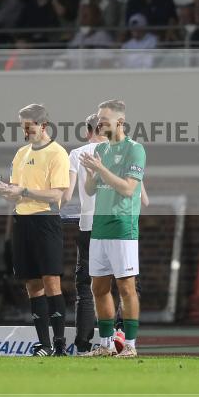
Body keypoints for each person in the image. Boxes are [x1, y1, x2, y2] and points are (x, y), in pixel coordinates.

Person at [0, 104, 70, 356]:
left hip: (45, 220)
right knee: (32, 284)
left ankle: (60, 342)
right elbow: (16, 192)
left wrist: (23, 191)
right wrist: (6, 192)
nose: (24, 130)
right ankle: (44, 344)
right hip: (22, 221)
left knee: (51, 280)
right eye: (22, 125)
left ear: (43, 125)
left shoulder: (57, 153)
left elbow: (57, 194)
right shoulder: (21, 153)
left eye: (28, 125)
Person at [81, 99, 146, 358]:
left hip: (122, 226)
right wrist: (91, 172)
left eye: (104, 120)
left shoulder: (135, 150)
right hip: (100, 227)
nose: (99, 124)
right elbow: (89, 190)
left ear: (119, 122)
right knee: (98, 288)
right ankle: (106, 344)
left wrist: (101, 169)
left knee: (127, 287)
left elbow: (129, 188)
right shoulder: (102, 150)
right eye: (98, 119)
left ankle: (130, 344)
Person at [60, 114, 107, 355]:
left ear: (87, 130)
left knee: (86, 288)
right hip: (118, 225)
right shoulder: (123, 151)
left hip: (89, 226)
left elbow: (66, 195)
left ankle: (83, 344)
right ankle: (122, 341)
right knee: (124, 284)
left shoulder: (77, 154)